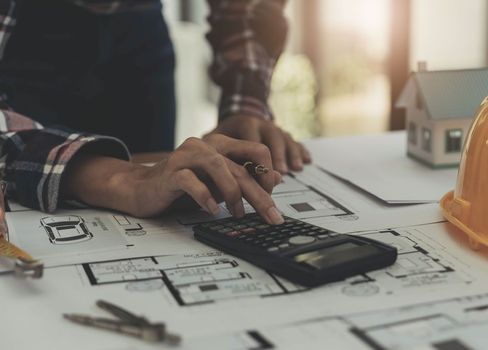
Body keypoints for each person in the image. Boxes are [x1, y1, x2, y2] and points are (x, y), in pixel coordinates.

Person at [0, 0, 307, 225]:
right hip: (19, 30)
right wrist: (119, 179)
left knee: (163, 207)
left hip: (139, 27)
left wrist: (244, 104)